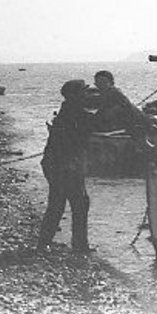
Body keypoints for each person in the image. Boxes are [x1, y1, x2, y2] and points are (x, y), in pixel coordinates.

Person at [38, 79, 99, 253]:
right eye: (84, 92)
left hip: (57, 164)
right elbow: (97, 122)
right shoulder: (75, 114)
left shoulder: (70, 111)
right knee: (75, 203)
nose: (87, 95)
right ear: (74, 95)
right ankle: (78, 245)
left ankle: (46, 243)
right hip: (63, 165)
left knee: (61, 204)